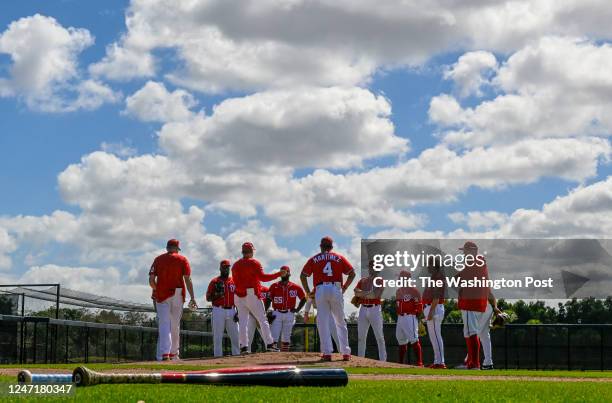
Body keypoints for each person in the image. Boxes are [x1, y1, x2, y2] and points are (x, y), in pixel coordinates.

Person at [300, 236, 355, 361]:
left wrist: (308, 292)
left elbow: (303, 275)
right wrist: (345, 287)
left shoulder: (314, 258)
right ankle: (346, 352)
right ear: (331, 247)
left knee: (322, 322)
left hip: (320, 289)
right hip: (336, 288)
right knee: (340, 321)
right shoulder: (339, 257)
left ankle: (327, 353)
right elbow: (352, 273)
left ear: (321, 246)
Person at [231, 242, 285, 354]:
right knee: (262, 319)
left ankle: (244, 347)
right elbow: (263, 278)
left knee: (243, 322)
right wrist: (278, 274)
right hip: (251, 293)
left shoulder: (235, 265)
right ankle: (270, 344)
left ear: (242, 251)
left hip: (238, 295)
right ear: (251, 251)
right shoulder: (254, 263)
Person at [149, 239, 197, 361]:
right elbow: (187, 279)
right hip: (178, 293)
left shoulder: (158, 259)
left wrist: (157, 289)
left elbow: (151, 280)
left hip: (162, 293)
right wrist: (192, 297)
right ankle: (174, 354)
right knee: (175, 325)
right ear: (176, 248)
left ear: (167, 248)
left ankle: (165, 354)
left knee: (164, 323)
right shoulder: (182, 259)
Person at [455, 241, 490, 370]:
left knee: (472, 332)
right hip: (473, 302)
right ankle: (470, 362)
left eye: (465, 251)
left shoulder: (476, 260)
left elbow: (460, 278)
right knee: (468, 332)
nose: (463, 253)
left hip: (471, 302)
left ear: (471, 250)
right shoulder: (476, 262)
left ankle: (475, 364)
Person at [354, 260, 386, 361]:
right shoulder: (363, 280)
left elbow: (375, 295)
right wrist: (367, 293)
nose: (371, 268)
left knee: (379, 337)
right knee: (361, 337)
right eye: (370, 266)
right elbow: (355, 292)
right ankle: (360, 359)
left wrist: (362, 293)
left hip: (375, 309)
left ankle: (383, 361)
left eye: (373, 266)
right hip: (363, 308)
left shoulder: (380, 280)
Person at [268, 266, 307, 351]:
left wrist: (297, 309)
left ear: (289, 273)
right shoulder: (274, 286)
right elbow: (268, 299)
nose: (283, 273)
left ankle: (283, 357)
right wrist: (266, 311)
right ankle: (271, 356)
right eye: (281, 271)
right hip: (277, 313)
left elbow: (304, 299)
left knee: (286, 336)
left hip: (289, 313)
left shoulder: (295, 287)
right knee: (274, 335)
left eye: (285, 271)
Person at [206, 259, 239, 357]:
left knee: (236, 336)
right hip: (218, 310)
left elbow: (239, 298)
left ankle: (236, 356)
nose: (226, 269)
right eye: (224, 267)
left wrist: (238, 312)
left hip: (232, 310)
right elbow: (208, 298)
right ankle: (217, 357)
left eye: (227, 267)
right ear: (220, 268)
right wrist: (217, 294)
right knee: (217, 336)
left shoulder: (234, 281)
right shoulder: (214, 281)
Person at [423, 256, 446, 369]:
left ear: (434, 265)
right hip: (431, 307)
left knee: (436, 336)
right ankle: (437, 361)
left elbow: (436, 297)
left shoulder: (439, 277)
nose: (427, 266)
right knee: (433, 337)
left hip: (435, 308)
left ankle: (441, 362)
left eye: (429, 264)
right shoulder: (433, 277)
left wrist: (431, 312)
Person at [395, 270, 423, 366]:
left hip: (410, 316)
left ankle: (419, 363)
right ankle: (401, 363)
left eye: (400, 277)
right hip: (400, 317)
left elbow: (419, 306)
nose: (398, 279)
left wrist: (417, 319)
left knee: (414, 339)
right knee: (401, 340)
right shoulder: (398, 291)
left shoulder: (414, 291)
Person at [247, 285, 271, 353]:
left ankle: (270, 352)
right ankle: (245, 353)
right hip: (250, 315)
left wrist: (263, 313)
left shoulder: (266, 289)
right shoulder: (248, 289)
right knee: (248, 335)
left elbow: (268, 301)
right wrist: (255, 316)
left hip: (262, 314)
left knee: (266, 334)